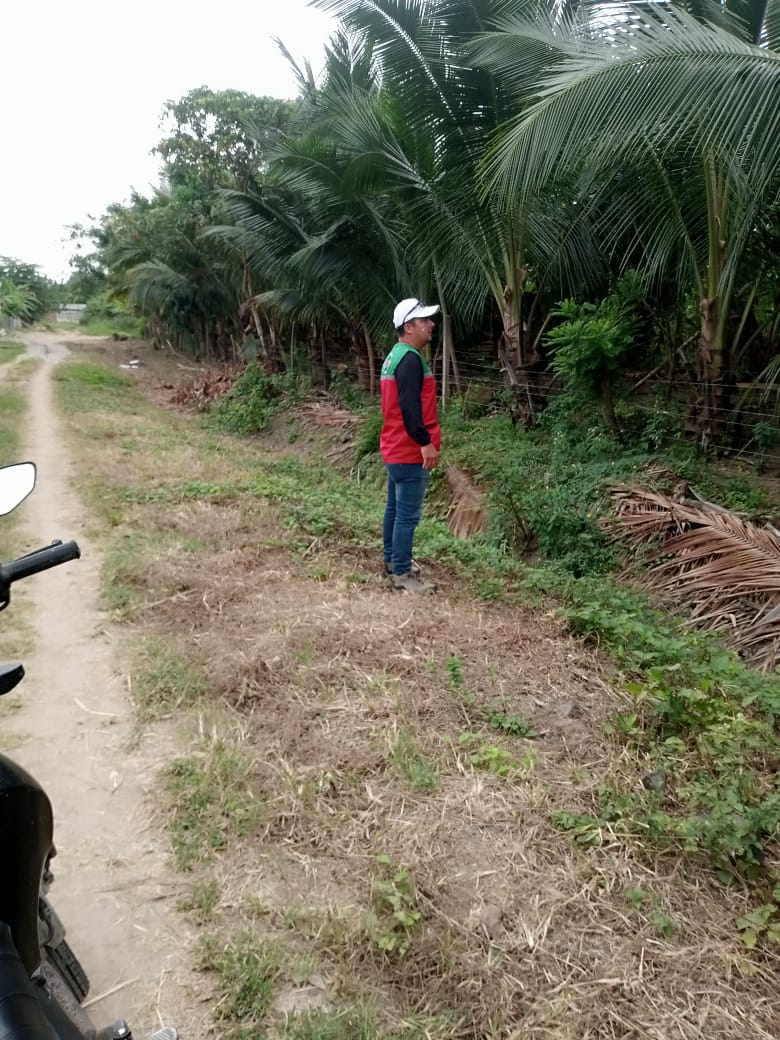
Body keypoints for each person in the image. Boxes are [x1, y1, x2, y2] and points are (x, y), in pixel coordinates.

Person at [380, 298, 441, 594]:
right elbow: (410, 407)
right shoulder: (410, 360)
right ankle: (402, 575)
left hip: (394, 446)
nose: (431, 325)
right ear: (408, 327)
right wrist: (425, 442)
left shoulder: (395, 355)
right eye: (424, 321)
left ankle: (392, 562)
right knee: (406, 515)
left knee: (394, 509)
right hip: (409, 450)